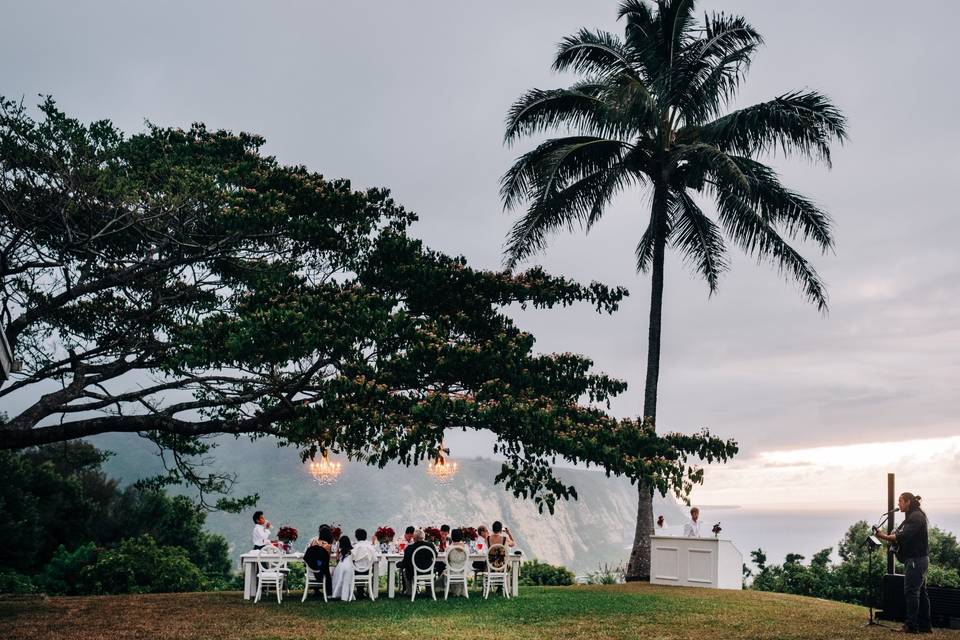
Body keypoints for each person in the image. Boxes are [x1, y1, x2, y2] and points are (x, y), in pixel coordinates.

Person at [876, 492, 932, 634]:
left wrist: (883, 536)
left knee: (911, 592)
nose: (898, 504)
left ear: (908, 502)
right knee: (921, 592)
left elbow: (903, 536)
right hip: (918, 560)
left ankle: (911, 626)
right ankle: (925, 626)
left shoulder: (916, 517)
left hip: (916, 561)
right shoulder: (913, 515)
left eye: (900, 501)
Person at [401, 529, 436, 593]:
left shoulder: (409, 548)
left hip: (414, 572)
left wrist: (399, 564)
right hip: (428, 571)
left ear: (414, 538)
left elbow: (405, 562)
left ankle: (410, 591)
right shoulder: (430, 545)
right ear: (424, 537)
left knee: (405, 570)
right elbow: (435, 556)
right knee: (431, 567)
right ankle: (429, 591)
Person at [303, 525, 334, 597]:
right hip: (321, 570)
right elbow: (327, 559)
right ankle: (329, 594)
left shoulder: (314, 542)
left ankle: (316, 590)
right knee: (330, 572)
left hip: (311, 569)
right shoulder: (328, 546)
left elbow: (309, 554)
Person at [352, 528, 378, 599]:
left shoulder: (354, 547)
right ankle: (363, 591)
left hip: (356, 571)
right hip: (367, 571)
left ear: (356, 537)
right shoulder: (370, 547)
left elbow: (351, 559)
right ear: (366, 537)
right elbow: (375, 559)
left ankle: (359, 590)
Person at [330, 535, 356, 600]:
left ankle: (336, 592)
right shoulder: (351, 551)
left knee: (335, 575)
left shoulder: (341, 551)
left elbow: (337, 560)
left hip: (341, 568)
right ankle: (345, 595)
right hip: (349, 568)